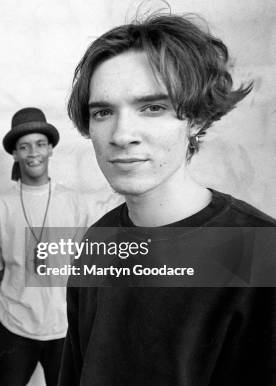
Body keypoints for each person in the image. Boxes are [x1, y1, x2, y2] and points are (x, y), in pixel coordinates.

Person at [59, 13, 276, 385]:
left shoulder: (261, 253)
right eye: (103, 112)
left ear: (194, 119)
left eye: (153, 107)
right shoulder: (97, 242)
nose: (122, 134)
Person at [0, 107, 92, 386]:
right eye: (24, 147)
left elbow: (85, 266)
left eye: (40, 144)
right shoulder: (0, 207)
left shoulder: (74, 202)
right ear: (14, 154)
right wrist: (22, 287)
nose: (33, 152)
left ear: (51, 149)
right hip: (13, 325)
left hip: (64, 327)